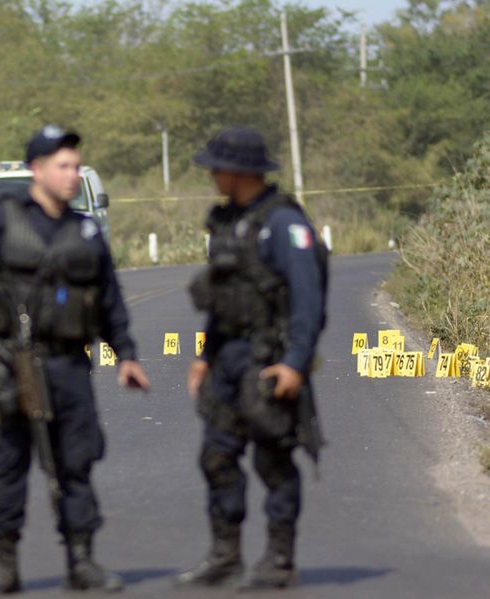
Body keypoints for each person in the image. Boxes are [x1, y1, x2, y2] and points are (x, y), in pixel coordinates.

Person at [0, 125, 150, 596]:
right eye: (63, 166)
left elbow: (109, 299)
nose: (72, 175)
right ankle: (3, 565)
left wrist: (127, 355)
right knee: (9, 463)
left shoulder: (85, 229)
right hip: (8, 363)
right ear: (37, 170)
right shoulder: (1, 222)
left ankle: (83, 561)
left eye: (76, 166)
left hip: (69, 364)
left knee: (76, 460)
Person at [177, 126, 327, 590]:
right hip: (227, 359)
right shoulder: (227, 221)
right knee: (216, 456)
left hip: (270, 357)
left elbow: (308, 301)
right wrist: (204, 355)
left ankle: (279, 560)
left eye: (217, 167)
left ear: (239, 171)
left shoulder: (284, 224)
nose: (212, 176)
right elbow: (225, 299)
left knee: (273, 458)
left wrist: (296, 363)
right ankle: (225, 555)